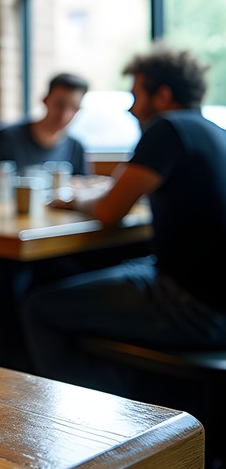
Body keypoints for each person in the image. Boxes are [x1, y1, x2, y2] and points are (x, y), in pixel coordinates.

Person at [20, 48, 226, 395]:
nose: (132, 108)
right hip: (212, 296)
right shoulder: (215, 131)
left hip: (194, 306)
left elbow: (108, 209)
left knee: (39, 308)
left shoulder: (168, 128)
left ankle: (91, 421)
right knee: (90, 271)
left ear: (162, 96)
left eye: (136, 95)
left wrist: (72, 199)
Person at [0, 72, 90, 175]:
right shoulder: (6, 136)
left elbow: (84, 185)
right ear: (45, 100)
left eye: (73, 107)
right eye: (59, 104)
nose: (64, 114)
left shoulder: (76, 147)